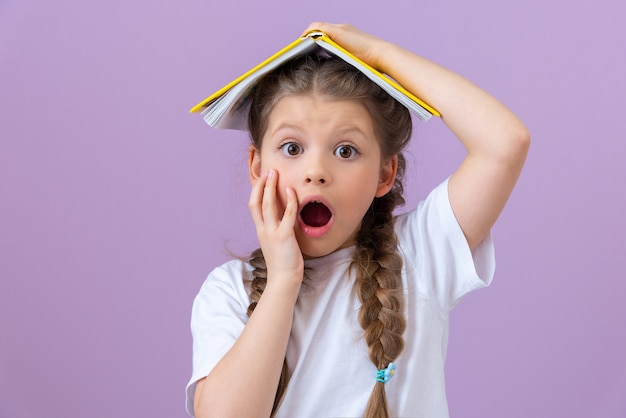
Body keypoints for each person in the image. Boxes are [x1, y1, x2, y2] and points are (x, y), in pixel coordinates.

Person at [185, 22, 530, 418]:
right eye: (292, 147)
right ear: (257, 166)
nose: (316, 171)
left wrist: (382, 55)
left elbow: (504, 143)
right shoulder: (229, 290)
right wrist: (283, 279)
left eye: (346, 151)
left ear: (384, 174)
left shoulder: (420, 254)